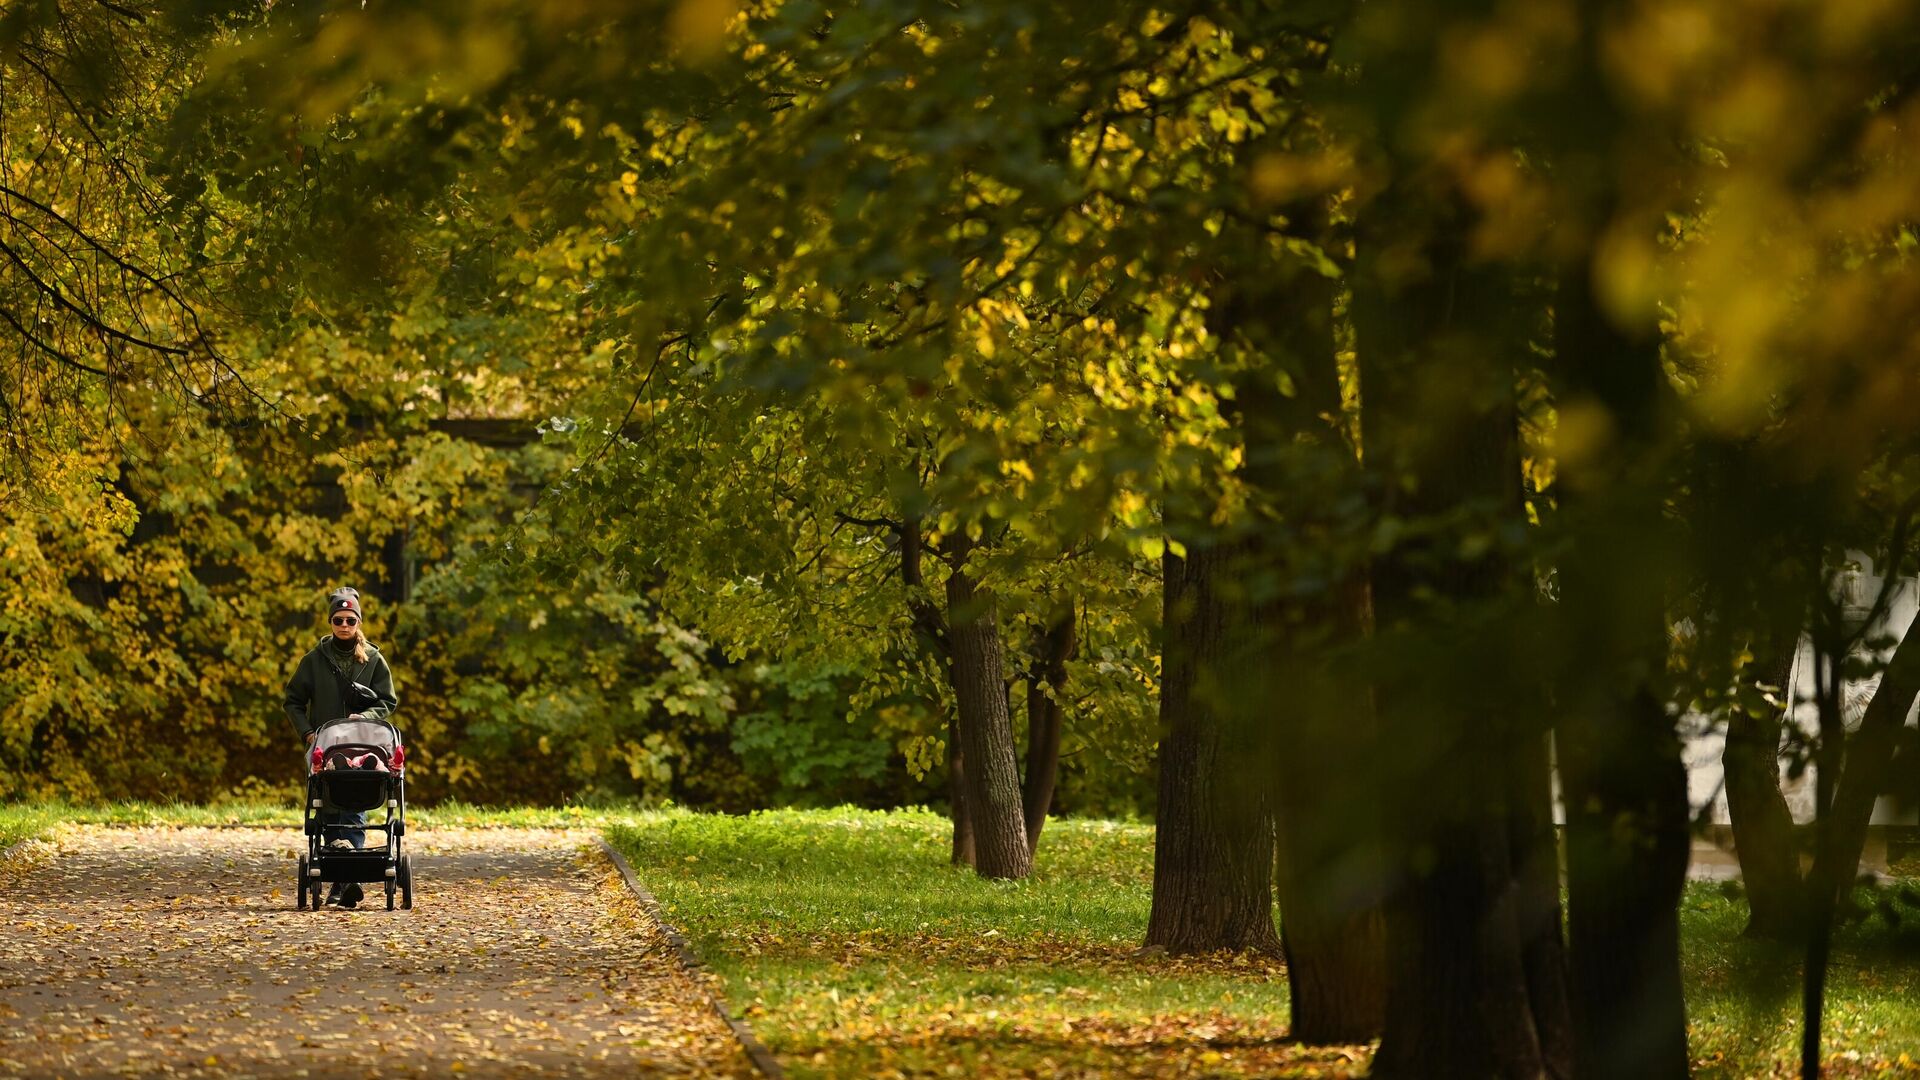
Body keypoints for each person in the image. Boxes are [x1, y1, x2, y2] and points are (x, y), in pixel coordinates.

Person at [283, 586, 400, 909]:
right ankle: (342, 877)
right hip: (324, 745)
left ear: (358, 621)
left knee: (354, 801)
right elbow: (292, 701)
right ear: (331, 622)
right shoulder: (314, 661)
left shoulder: (374, 660)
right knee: (326, 804)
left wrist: (365, 716)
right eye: (338, 619)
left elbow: (387, 700)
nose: (344, 625)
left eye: (350, 619)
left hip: (361, 745)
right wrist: (307, 732)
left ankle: (345, 879)